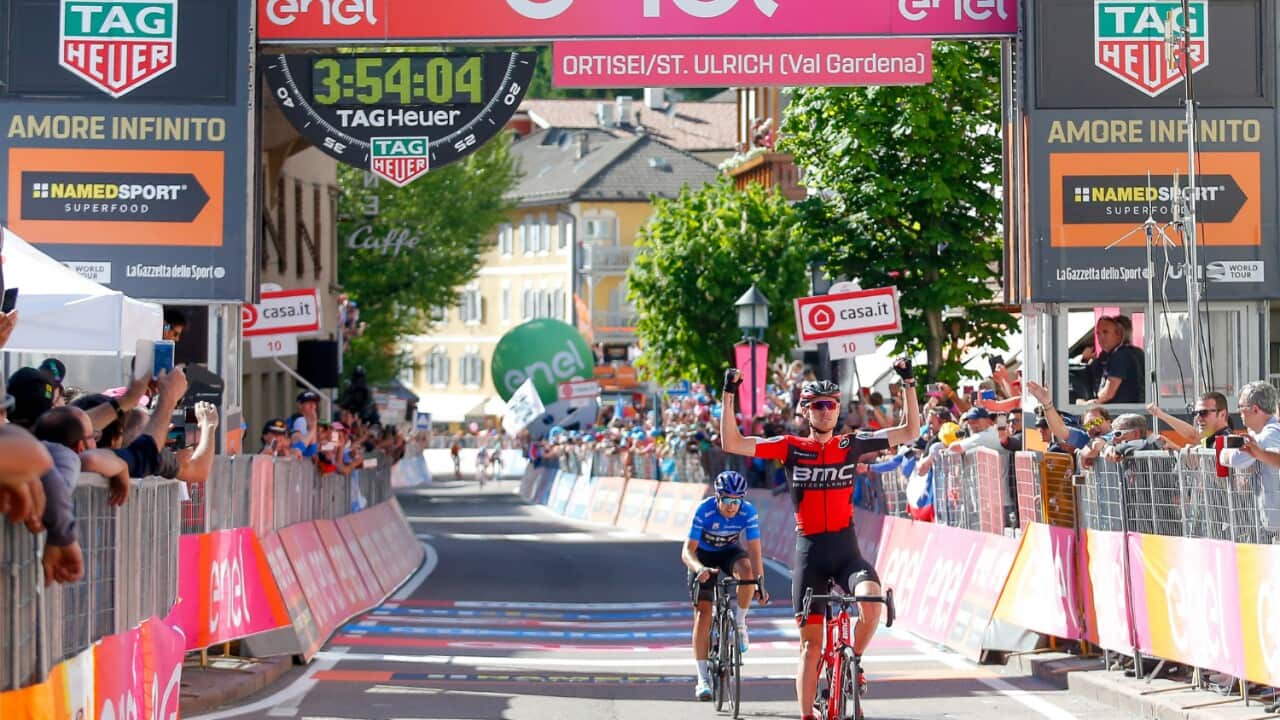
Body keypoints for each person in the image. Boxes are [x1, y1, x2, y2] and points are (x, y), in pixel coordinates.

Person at [720, 360, 920, 720]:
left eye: (831, 405)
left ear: (839, 409)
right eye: (817, 405)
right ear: (805, 410)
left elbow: (909, 432)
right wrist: (729, 393)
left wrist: (908, 381)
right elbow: (731, 441)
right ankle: (807, 715)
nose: (825, 411)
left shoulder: (852, 444)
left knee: (872, 603)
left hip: (846, 551)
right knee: (811, 648)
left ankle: (853, 660)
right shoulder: (790, 447)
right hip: (809, 553)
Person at [681, 470, 769, 701]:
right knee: (703, 614)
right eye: (728, 500)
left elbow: (755, 550)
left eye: (737, 501)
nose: (732, 506)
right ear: (718, 497)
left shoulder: (748, 512)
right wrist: (699, 569)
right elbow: (687, 551)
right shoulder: (704, 510)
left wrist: (760, 582)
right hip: (703, 557)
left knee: (747, 572)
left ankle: (739, 623)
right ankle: (702, 679)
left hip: (729, 553)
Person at [1219, 381, 1280, 540]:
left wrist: (1225, 452)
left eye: (1241, 407)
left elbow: (1235, 459)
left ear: (1255, 409)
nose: (1238, 412)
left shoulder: (1269, 435)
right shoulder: (1267, 433)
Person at [1084, 315, 1144, 404]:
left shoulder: (1122, 355)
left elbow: (1109, 393)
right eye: (1098, 333)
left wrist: (1090, 405)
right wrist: (1085, 360)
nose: (1101, 338)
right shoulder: (1110, 355)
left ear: (1119, 334)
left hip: (1121, 413)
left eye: (1105, 332)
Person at [1148, 392, 1231, 448]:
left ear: (1222, 414)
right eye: (1195, 413)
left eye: (1203, 412)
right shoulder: (1212, 439)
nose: (1197, 418)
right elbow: (1194, 435)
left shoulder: (1226, 442)